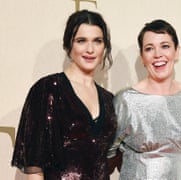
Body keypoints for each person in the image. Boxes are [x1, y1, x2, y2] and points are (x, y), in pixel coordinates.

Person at [11, 10, 117, 180]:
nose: (90, 49)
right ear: (69, 45)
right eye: (81, 41)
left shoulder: (109, 100)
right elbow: (35, 167)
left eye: (97, 41)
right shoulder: (47, 89)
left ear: (104, 47)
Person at [108, 19, 181, 179]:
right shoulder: (126, 100)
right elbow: (108, 152)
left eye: (165, 46)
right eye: (149, 48)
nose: (158, 54)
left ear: (176, 52)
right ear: (142, 57)